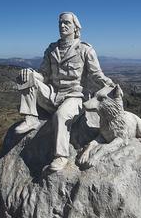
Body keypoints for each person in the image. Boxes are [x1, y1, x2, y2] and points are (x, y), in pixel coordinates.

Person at [15, 12, 115, 171]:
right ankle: (31, 118)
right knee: (27, 76)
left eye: (67, 23)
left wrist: (110, 84)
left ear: (76, 27)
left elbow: (97, 74)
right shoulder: (51, 49)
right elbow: (44, 75)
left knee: (60, 116)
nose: (62, 26)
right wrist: (31, 74)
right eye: (60, 23)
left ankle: (61, 156)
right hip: (52, 94)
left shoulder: (85, 50)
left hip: (74, 97)